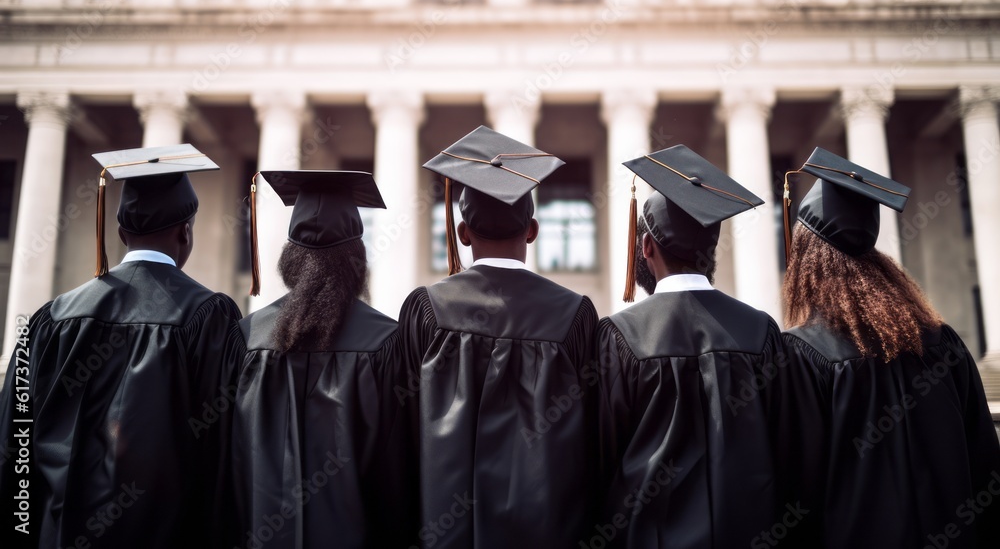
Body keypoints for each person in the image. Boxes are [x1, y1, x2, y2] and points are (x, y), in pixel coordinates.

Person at [0, 144, 246, 549]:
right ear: (186, 230)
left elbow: (15, 441)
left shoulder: (51, 318)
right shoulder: (209, 317)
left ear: (119, 233)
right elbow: (221, 455)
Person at [778, 147, 1000, 548]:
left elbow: (795, 488)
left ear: (807, 260)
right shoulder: (940, 341)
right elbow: (985, 461)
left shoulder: (801, 354)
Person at [399, 125, 601, 548]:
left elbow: (402, 431)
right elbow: (592, 443)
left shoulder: (426, 310)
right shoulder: (576, 316)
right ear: (532, 230)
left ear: (462, 233)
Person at [595, 144, 786, 548]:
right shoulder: (761, 332)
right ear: (712, 248)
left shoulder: (621, 335)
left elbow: (602, 458)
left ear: (646, 248)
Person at [231, 169, 417, 549]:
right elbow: (398, 474)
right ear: (358, 260)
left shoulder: (247, 337)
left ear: (290, 260)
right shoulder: (387, 341)